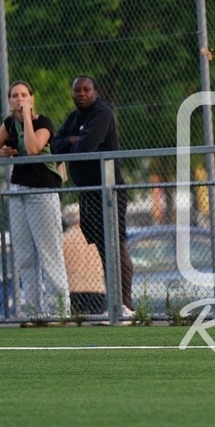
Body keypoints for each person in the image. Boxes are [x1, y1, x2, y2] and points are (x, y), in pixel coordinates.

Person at [50, 76, 134, 316]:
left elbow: (87, 147)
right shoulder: (74, 118)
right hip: (87, 192)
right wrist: (71, 139)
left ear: (95, 91)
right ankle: (114, 305)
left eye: (86, 89)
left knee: (115, 244)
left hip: (108, 191)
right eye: (77, 90)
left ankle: (126, 305)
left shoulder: (102, 112)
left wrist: (73, 143)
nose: (81, 94)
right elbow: (54, 145)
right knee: (103, 248)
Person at [0, 80, 70, 317]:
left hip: (42, 192)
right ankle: (31, 311)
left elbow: (32, 149)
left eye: (23, 95)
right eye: (14, 96)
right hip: (18, 191)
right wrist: (1, 152)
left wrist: (27, 118)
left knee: (49, 254)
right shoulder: (9, 123)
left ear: (32, 98)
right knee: (24, 256)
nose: (19, 99)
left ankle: (58, 311)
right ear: (9, 101)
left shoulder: (43, 122)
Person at [62, 203, 106, 314]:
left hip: (73, 289)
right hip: (96, 288)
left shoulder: (64, 239)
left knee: (77, 319)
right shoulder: (94, 236)